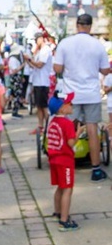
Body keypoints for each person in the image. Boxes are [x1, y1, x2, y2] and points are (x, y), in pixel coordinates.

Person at [53, 13, 110, 182]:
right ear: (90, 26)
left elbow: (57, 69)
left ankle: (64, 164)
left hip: (72, 94)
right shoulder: (98, 45)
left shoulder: (65, 43)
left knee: (69, 127)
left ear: (77, 25)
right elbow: (105, 70)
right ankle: (96, 169)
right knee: (92, 129)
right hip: (91, 92)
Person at [47, 92, 85, 232]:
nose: (72, 105)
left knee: (60, 187)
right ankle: (64, 220)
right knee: (68, 189)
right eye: (69, 104)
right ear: (62, 109)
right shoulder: (67, 123)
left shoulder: (53, 122)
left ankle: (57, 212)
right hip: (65, 160)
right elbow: (71, 143)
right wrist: (78, 133)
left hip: (54, 160)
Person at [24, 32, 52, 134]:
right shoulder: (39, 51)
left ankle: (49, 126)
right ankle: (40, 126)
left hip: (43, 82)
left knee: (44, 106)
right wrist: (27, 60)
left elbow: (40, 65)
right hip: (37, 82)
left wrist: (30, 59)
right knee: (39, 106)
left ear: (41, 38)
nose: (35, 42)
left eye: (36, 40)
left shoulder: (46, 50)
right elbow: (33, 66)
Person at [8, 43, 25, 119]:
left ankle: (16, 110)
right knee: (16, 95)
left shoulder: (15, 58)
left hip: (17, 77)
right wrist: (22, 66)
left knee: (17, 94)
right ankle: (14, 112)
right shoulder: (13, 59)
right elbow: (14, 71)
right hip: (14, 78)